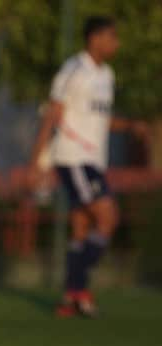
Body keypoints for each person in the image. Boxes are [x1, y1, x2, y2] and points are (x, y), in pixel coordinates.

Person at [29, 16, 147, 318]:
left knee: (81, 226)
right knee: (108, 217)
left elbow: (99, 119)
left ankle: (72, 299)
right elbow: (53, 114)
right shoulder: (74, 70)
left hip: (93, 159)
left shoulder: (106, 74)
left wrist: (131, 125)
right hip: (73, 157)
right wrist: (36, 161)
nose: (116, 43)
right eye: (112, 37)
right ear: (94, 38)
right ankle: (78, 288)